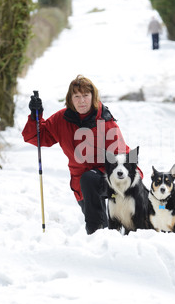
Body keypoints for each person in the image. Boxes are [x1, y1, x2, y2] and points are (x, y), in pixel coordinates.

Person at [22, 74, 133, 235]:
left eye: (86, 95)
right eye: (77, 96)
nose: (82, 100)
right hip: (80, 184)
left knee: (92, 185)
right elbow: (37, 137)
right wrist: (35, 116)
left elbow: (122, 156)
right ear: (70, 99)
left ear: (93, 97)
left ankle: (106, 237)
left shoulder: (105, 122)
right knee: (99, 214)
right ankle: (103, 240)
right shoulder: (62, 119)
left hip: (108, 178)